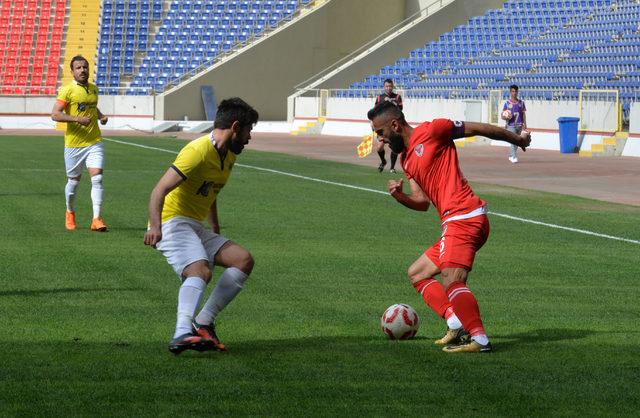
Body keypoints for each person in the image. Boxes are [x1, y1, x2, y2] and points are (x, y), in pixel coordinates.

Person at [367, 101, 531, 353]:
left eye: (380, 133)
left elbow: (479, 128)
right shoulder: (407, 160)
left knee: (452, 280)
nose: (380, 140)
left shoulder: (433, 130)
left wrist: (517, 140)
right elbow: (422, 202)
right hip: (453, 221)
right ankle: (456, 323)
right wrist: (399, 196)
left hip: (465, 216)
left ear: (395, 124)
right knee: (418, 273)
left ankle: (480, 340)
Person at [144, 97, 259, 355]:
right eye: (249, 129)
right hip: (171, 220)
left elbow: (210, 192)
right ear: (236, 126)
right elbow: (159, 190)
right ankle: (181, 332)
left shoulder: (228, 155)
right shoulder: (197, 151)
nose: (250, 137)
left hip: (194, 225)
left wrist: (214, 228)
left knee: (243, 260)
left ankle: (204, 323)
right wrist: (154, 227)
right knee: (200, 270)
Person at [51, 55, 109, 231]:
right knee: (73, 183)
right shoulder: (67, 91)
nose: (82, 70)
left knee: (97, 178)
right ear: (72, 72)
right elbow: (55, 114)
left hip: (94, 142)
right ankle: (70, 212)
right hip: (74, 145)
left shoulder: (93, 89)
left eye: (85, 67)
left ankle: (96, 219)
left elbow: (91, 106)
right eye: (78, 68)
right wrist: (77, 119)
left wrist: (101, 116)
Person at [374, 79, 403, 173]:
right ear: (384, 86)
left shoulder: (397, 97)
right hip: (383, 126)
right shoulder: (379, 98)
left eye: (390, 86)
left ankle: (392, 168)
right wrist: (372, 122)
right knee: (379, 147)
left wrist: (391, 101)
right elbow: (375, 112)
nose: (388, 88)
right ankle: (383, 161)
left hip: (393, 126)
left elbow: (400, 110)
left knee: (394, 147)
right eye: (387, 86)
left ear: (393, 86)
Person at [502, 84, 527, 164]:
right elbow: (502, 115)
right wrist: (505, 118)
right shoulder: (507, 103)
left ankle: (511, 155)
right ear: (510, 92)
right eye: (513, 91)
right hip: (511, 125)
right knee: (513, 141)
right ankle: (514, 156)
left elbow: (523, 114)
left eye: (516, 91)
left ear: (517, 92)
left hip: (519, 125)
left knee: (517, 142)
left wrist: (525, 124)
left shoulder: (521, 103)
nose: (514, 93)